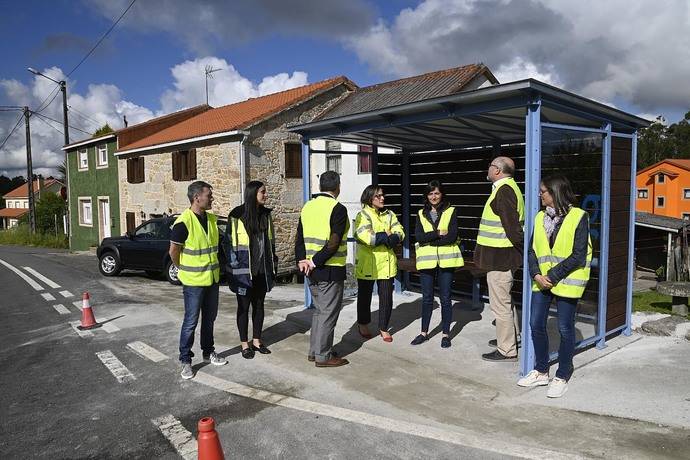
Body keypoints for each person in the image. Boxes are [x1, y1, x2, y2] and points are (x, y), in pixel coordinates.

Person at [518, 175, 591, 398]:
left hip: (566, 282)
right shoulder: (540, 217)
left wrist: (551, 275)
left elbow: (579, 255)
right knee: (535, 324)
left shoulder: (579, 216)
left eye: (543, 191)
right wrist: (536, 274)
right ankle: (541, 371)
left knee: (565, 328)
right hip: (542, 281)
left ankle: (563, 374)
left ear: (556, 192)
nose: (540, 195)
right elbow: (532, 250)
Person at [170, 181, 227, 380]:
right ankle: (186, 360)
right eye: (209, 195)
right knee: (191, 321)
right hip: (193, 282)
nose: (212, 198)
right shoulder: (183, 222)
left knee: (209, 319)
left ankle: (208, 351)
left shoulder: (211, 219)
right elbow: (173, 251)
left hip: (212, 279)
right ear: (197, 198)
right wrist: (181, 268)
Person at [295, 170, 350, 367]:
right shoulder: (338, 208)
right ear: (338, 187)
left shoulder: (308, 206)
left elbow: (299, 237)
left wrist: (303, 260)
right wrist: (315, 261)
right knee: (328, 314)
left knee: (319, 312)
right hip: (329, 268)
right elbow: (334, 243)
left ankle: (315, 351)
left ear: (320, 187)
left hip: (310, 270)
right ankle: (323, 356)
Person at [475, 156, 524, 362]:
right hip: (502, 258)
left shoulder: (504, 191)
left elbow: (512, 227)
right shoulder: (508, 188)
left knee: (500, 305)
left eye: (490, 165)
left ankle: (507, 350)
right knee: (505, 301)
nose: (488, 169)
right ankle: (513, 338)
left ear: (496, 170)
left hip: (500, 259)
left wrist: (523, 252)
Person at [225, 180, 278, 359]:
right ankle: (244, 344)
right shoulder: (236, 215)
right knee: (243, 307)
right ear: (253, 193)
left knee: (260, 305)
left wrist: (273, 266)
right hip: (243, 273)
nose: (266, 195)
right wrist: (233, 270)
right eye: (263, 192)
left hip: (262, 270)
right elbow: (229, 245)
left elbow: (271, 243)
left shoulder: (266, 215)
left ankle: (257, 341)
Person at [411, 180, 464, 348]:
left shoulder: (451, 211)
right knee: (427, 298)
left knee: (446, 298)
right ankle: (424, 332)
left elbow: (452, 236)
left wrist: (431, 241)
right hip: (427, 262)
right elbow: (418, 237)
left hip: (446, 261)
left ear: (442, 194)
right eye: (430, 193)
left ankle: (446, 334)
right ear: (427, 196)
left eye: (437, 193)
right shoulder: (420, 213)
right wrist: (437, 233)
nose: (434, 196)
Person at [354, 185, 405, 342]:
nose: (382, 198)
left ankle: (383, 328)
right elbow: (366, 237)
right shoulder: (363, 215)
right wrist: (387, 236)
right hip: (367, 264)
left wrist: (389, 237)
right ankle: (363, 324)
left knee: (386, 298)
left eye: (383, 195)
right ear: (370, 198)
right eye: (379, 196)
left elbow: (400, 233)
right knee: (364, 297)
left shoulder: (390, 214)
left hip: (386, 264)